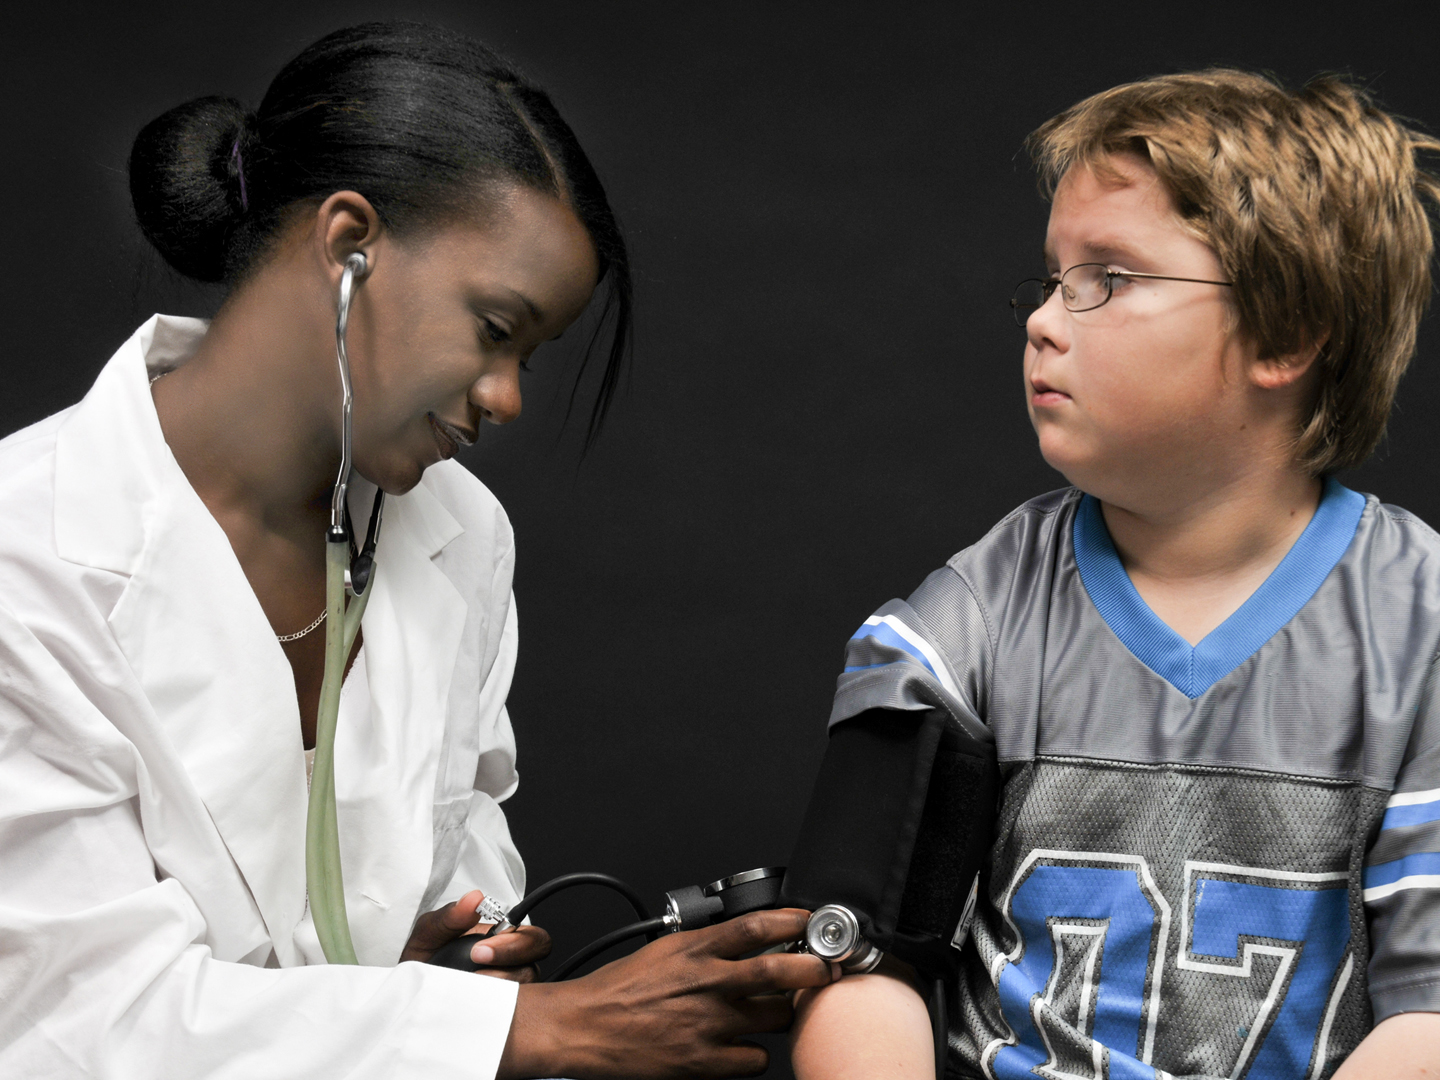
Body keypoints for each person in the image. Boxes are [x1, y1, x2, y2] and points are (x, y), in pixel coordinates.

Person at [0, 21, 830, 1079]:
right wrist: (529, 1030)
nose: (508, 398)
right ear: (350, 245)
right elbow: (72, 1025)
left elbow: (452, 878)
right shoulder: (25, 559)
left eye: (533, 356)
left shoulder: (462, 534)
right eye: (495, 329)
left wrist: (449, 979)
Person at [789, 70, 1440, 1079]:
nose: (1045, 319)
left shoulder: (1421, 630)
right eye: (1052, 279)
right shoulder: (966, 622)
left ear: (1287, 335)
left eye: (1110, 278)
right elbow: (860, 965)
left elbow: (1430, 1016)